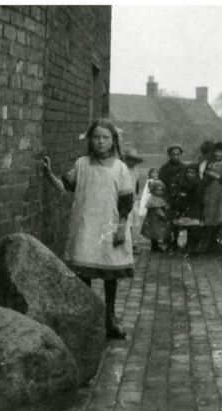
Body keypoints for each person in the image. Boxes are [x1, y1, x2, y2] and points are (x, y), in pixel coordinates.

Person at [43, 118, 133, 339]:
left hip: (109, 228)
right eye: (96, 137)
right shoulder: (82, 164)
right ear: (90, 140)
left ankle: (110, 318)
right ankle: (86, 319)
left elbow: (126, 201)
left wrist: (121, 227)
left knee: (110, 274)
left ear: (113, 141)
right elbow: (66, 186)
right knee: (84, 273)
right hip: (85, 227)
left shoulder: (120, 168)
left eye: (105, 138)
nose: (100, 142)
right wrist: (49, 174)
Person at [202, 142, 222, 252]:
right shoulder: (211, 164)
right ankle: (207, 245)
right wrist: (207, 175)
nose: (217, 154)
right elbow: (205, 179)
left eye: (220, 152)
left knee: (219, 218)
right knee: (209, 217)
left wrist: (215, 175)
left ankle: (215, 245)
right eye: (216, 151)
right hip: (210, 194)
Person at [158, 144, 186, 249]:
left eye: (177, 154)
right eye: (173, 154)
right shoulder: (164, 168)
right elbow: (161, 184)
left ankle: (176, 241)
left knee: (177, 220)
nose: (175, 156)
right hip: (168, 197)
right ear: (169, 155)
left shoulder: (184, 168)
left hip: (179, 198)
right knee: (168, 220)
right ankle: (168, 241)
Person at [175, 163, 206, 253]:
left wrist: (186, 196)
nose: (190, 175)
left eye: (192, 173)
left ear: (196, 174)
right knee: (186, 226)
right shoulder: (183, 181)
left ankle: (193, 247)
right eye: (188, 172)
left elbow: (198, 196)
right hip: (185, 207)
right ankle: (186, 245)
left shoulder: (199, 183)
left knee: (193, 227)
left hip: (194, 207)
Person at [123, 147, 143, 255]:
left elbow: (137, 184)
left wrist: (136, 194)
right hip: (124, 198)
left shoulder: (135, 171)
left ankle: (130, 243)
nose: (132, 162)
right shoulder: (123, 169)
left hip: (132, 199)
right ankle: (125, 243)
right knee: (124, 221)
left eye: (134, 160)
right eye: (129, 159)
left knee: (132, 222)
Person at [140, 180, 170, 252]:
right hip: (155, 219)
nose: (159, 192)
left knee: (155, 232)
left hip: (155, 219)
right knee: (155, 231)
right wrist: (163, 216)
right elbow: (158, 209)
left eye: (161, 190)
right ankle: (154, 245)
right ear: (153, 190)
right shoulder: (154, 199)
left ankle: (155, 245)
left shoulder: (159, 198)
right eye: (157, 190)